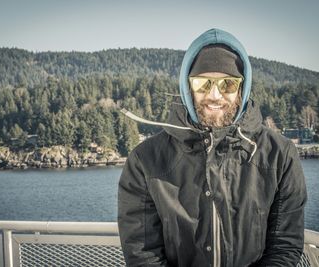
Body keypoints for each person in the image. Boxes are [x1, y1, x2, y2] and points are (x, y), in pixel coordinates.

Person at [118, 28, 307, 267]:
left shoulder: (279, 155)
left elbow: (285, 246)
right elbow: (142, 252)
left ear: (243, 87)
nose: (215, 95)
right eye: (203, 84)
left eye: (228, 84)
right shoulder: (145, 160)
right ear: (188, 87)